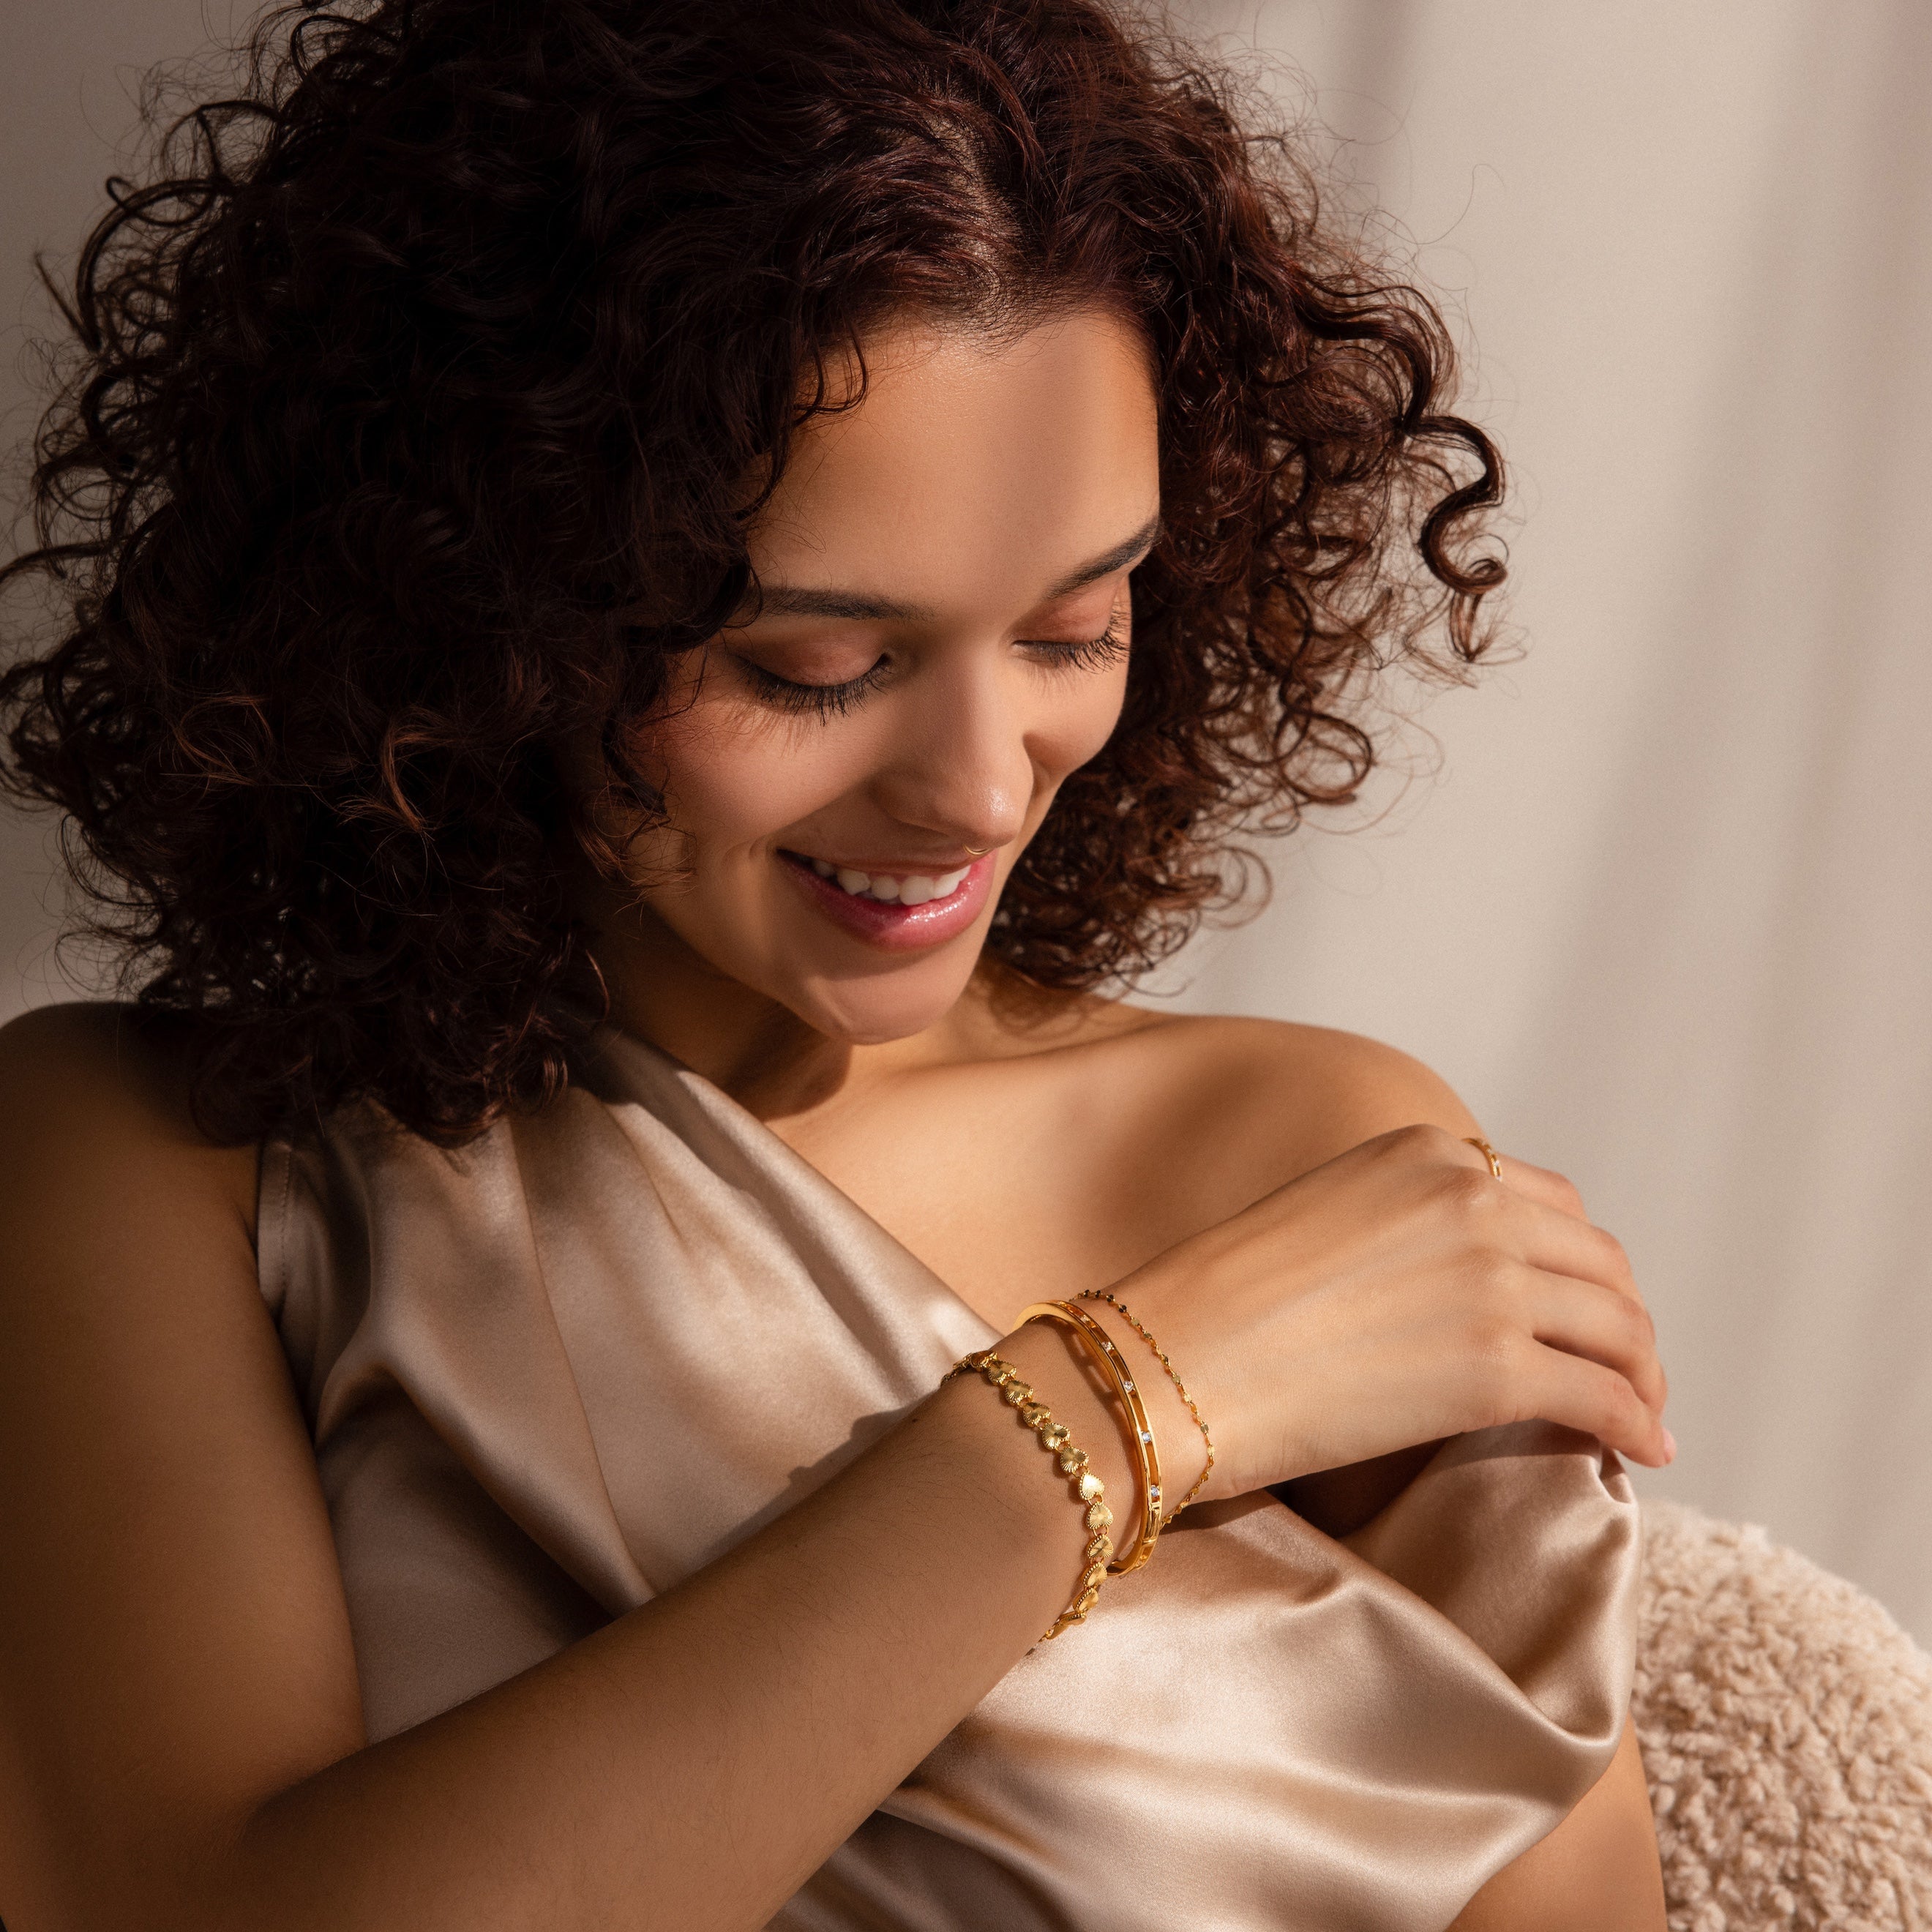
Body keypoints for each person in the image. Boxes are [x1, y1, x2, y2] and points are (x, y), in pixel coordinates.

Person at [0, 1, 1674, 1926]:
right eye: (816, 666)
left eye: (1072, 626)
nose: (975, 787)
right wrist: (1137, 1397)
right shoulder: (157, 1166)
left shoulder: (1316, 1159)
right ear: (493, 612)